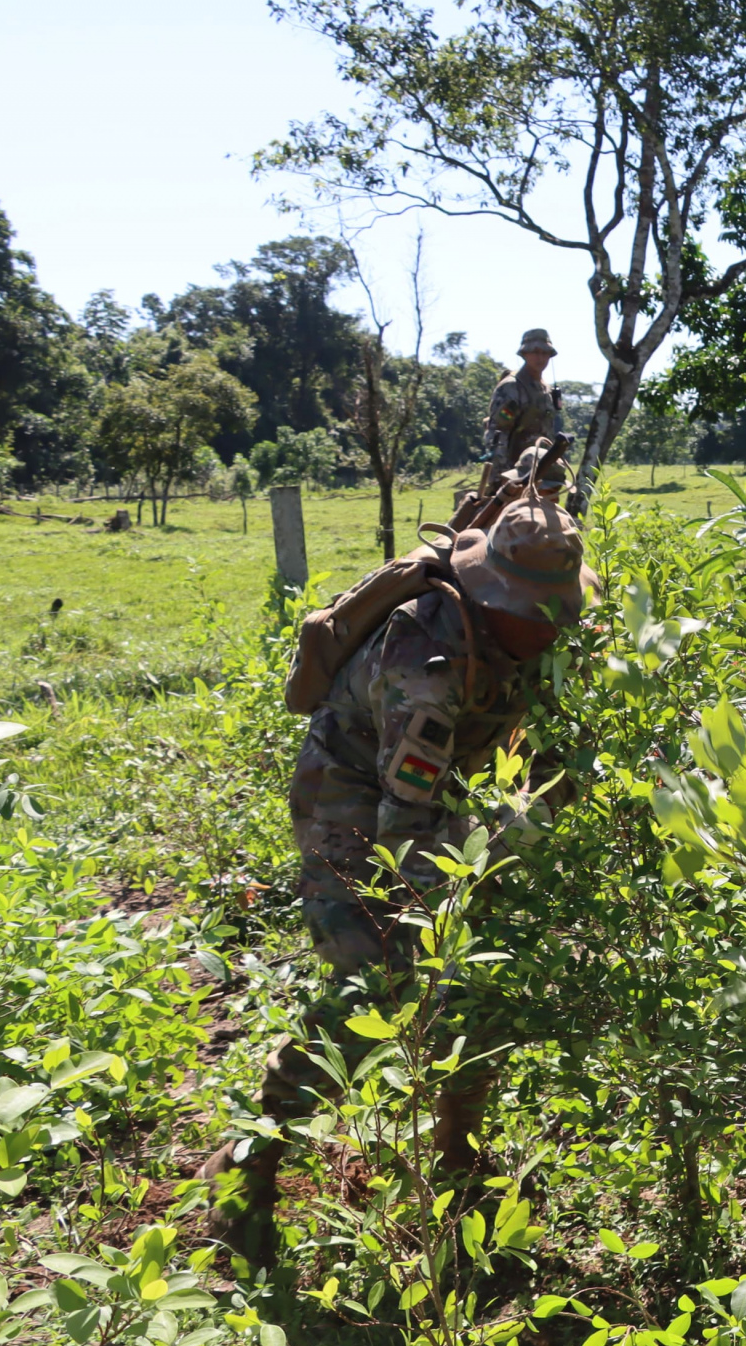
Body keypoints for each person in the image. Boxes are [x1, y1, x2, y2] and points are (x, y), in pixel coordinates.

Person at [200, 482, 596, 1263]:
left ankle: (458, 1153)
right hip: (354, 805)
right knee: (375, 983)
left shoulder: (526, 633)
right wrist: (477, 869)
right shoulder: (428, 672)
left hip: (450, 796)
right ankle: (249, 1162)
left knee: (483, 976)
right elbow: (405, 835)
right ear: (499, 602)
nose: (558, 629)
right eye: (541, 616)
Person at [478, 330, 563, 504]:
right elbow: (498, 433)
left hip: (541, 473)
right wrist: (500, 478)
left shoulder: (546, 389)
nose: (540, 358)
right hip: (514, 473)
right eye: (535, 352)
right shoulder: (512, 387)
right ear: (524, 354)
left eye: (545, 353)